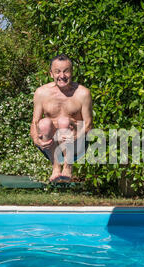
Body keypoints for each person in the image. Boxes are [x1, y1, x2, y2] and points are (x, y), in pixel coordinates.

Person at [30, 54, 93, 182]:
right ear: (51, 74)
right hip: (52, 145)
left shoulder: (82, 93)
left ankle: (68, 167)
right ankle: (56, 168)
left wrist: (77, 135)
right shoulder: (41, 93)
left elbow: (89, 124)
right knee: (44, 123)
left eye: (66, 71)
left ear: (72, 72)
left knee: (64, 121)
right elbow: (35, 121)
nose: (62, 76)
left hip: (76, 143)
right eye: (57, 72)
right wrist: (36, 140)